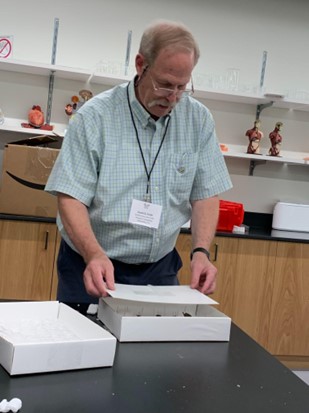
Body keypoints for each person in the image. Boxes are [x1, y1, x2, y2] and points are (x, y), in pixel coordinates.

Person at [45, 19, 232, 313]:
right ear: (140, 64)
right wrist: (93, 254)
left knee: (156, 355)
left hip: (159, 269)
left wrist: (201, 252)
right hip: (92, 263)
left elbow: (205, 193)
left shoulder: (198, 120)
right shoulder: (95, 117)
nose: (172, 97)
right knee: (89, 352)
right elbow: (70, 196)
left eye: (182, 87)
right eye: (164, 84)